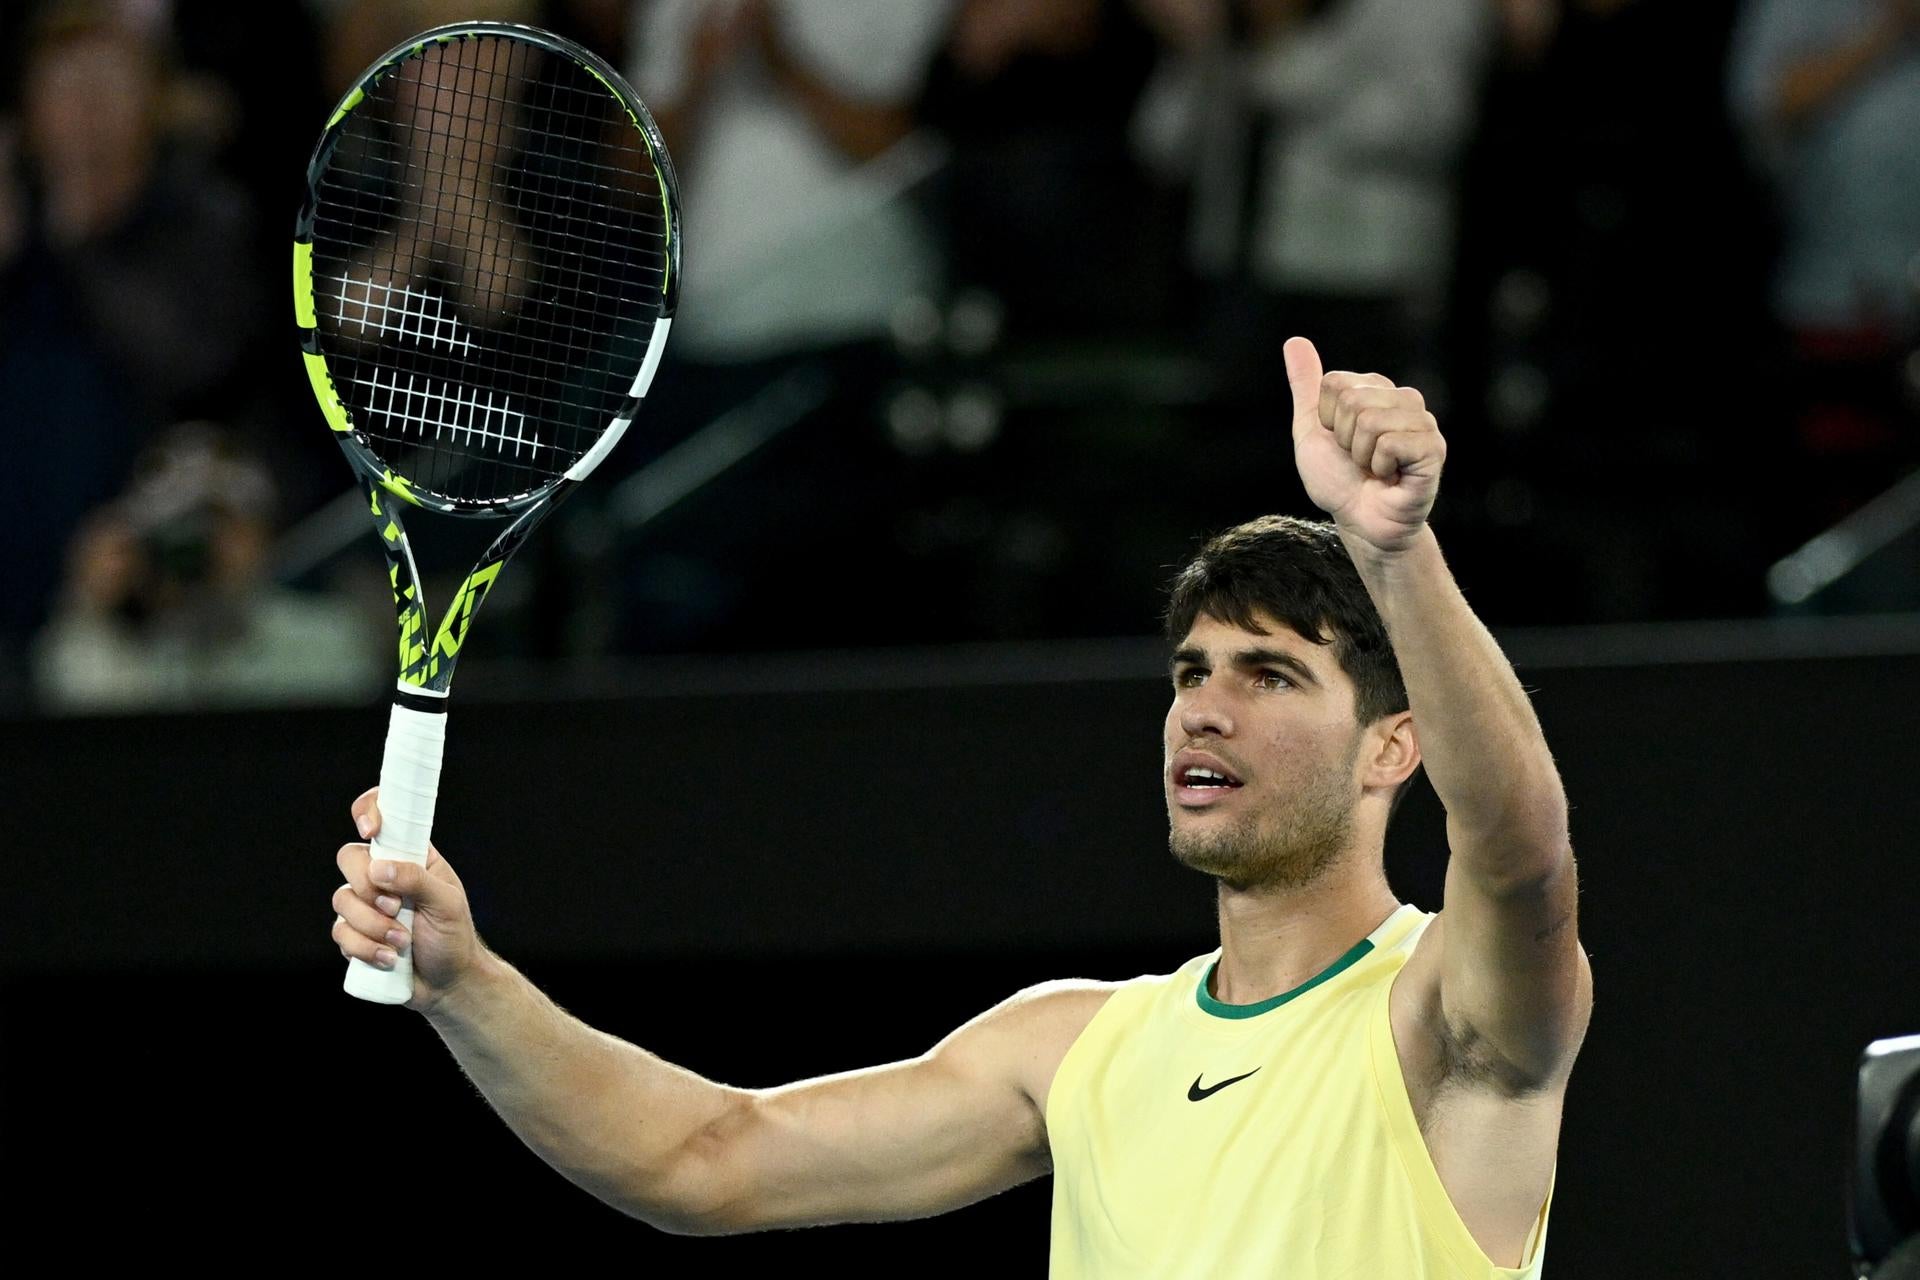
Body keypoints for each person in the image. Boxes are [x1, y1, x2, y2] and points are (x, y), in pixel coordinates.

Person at [328, 336, 1590, 1274]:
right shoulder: (1073, 1047)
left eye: (1271, 676)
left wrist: (1394, 550)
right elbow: (706, 1158)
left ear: (1392, 747)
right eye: (1191, 673)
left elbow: (1521, 854)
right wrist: (464, 979)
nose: (1206, 709)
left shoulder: (1448, 1012)